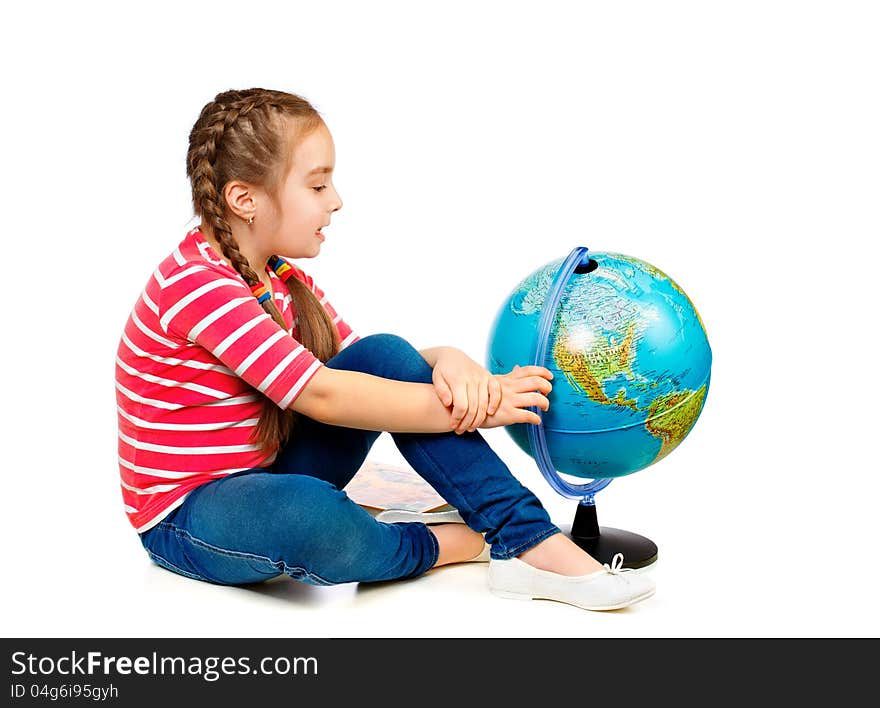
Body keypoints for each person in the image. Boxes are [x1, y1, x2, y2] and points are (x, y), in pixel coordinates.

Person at [115, 87, 655, 612]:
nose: (337, 201)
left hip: (271, 472)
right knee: (312, 518)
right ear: (244, 199)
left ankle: (526, 539)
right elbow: (324, 397)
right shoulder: (197, 285)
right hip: (187, 516)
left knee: (389, 353)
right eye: (318, 185)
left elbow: (374, 370)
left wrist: (448, 360)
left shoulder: (278, 278)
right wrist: (482, 408)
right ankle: (452, 543)